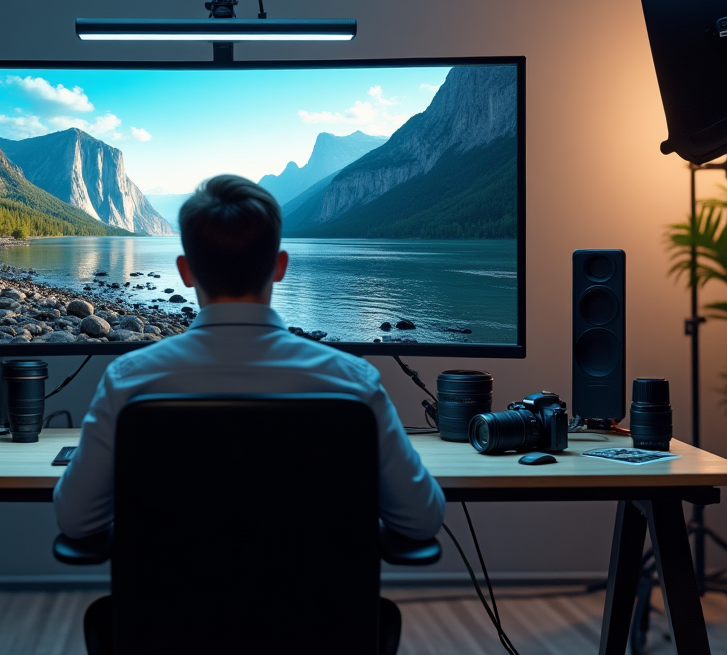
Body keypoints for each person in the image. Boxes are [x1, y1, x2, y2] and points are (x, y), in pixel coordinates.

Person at [54, 174, 445, 654]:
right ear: (280, 266)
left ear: (185, 271)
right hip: (320, 638)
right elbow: (422, 521)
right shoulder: (353, 383)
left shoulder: (129, 380)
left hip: (169, 639)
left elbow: (76, 522)